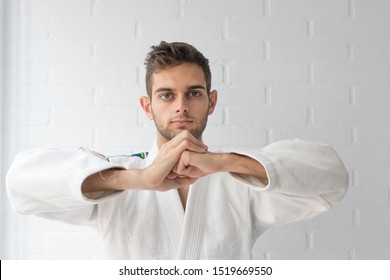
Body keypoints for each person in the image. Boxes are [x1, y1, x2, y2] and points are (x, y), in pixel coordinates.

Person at [6, 41, 349, 260]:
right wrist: (139, 180)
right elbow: (20, 184)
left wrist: (222, 162)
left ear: (211, 102)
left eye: (194, 93)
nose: (181, 107)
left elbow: (331, 177)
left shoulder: (239, 179)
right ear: (147, 105)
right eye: (167, 95)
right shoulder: (118, 178)